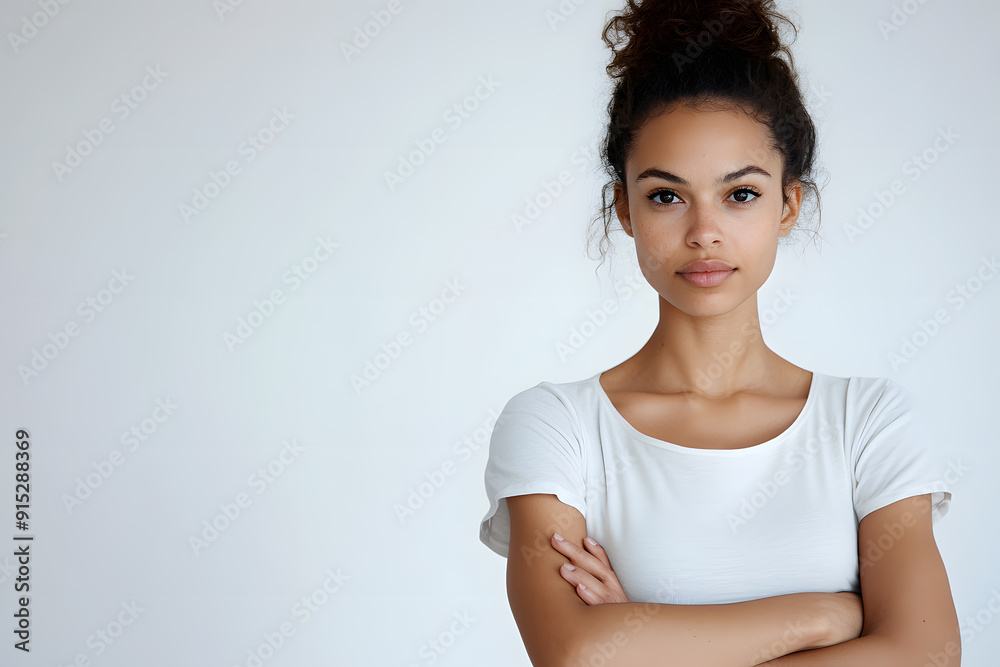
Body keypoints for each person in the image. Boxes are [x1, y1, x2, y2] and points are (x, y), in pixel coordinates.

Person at [477, 1, 960, 665]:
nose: (704, 232)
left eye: (740, 194)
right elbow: (574, 653)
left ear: (788, 203)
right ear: (624, 208)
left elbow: (927, 654)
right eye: (666, 195)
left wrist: (646, 644)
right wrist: (830, 616)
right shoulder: (557, 426)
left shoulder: (869, 421)